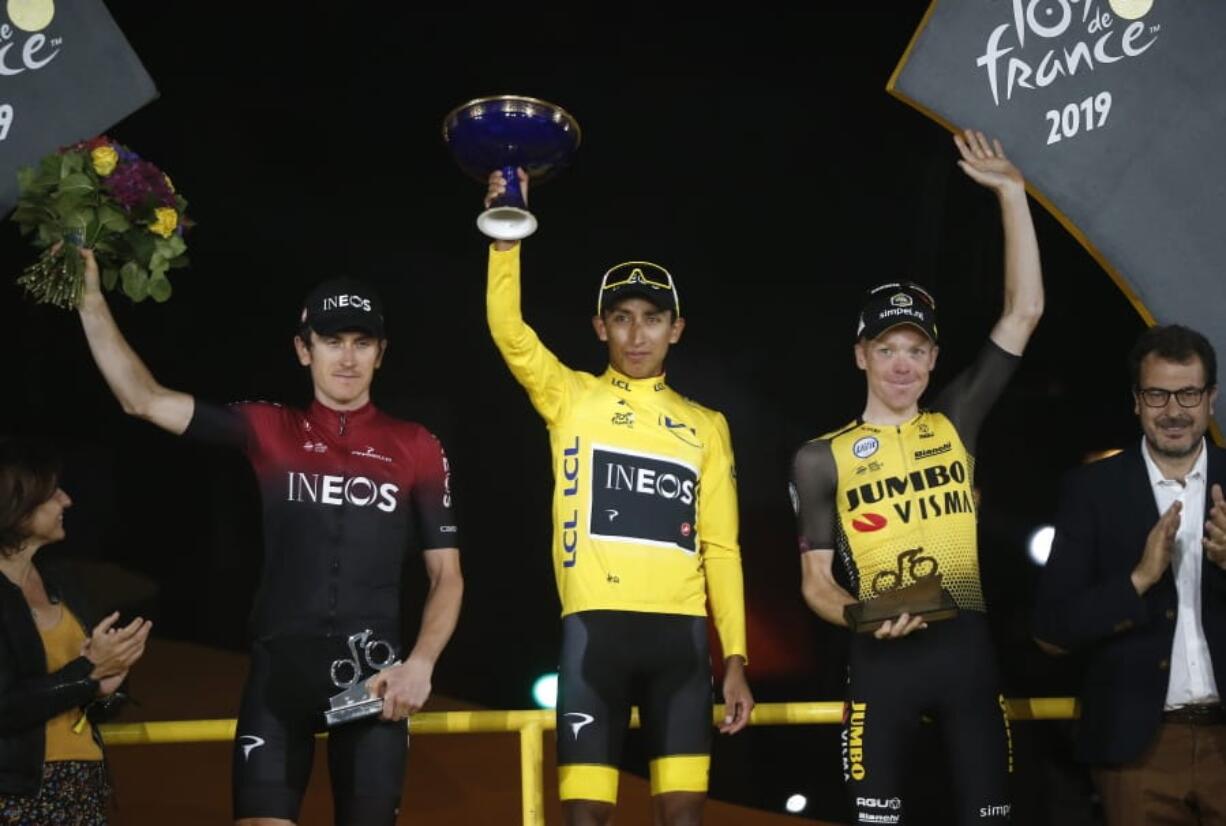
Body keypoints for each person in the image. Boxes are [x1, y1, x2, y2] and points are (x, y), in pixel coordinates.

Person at [73, 250, 464, 826]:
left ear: (381, 353)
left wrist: (422, 664)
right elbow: (143, 400)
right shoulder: (269, 429)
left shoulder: (417, 446)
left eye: (362, 342)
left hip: (375, 679)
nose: (348, 358)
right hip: (280, 676)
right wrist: (89, 299)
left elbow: (446, 576)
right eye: (333, 341)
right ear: (303, 349)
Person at [483, 170, 753, 826]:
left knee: (684, 818)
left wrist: (737, 658)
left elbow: (721, 547)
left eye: (652, 320)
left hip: (684, 645)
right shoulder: (571, 397)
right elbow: (508, 328)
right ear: (600, 327)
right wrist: (505, 233)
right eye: (623, 320)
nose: (638, 336)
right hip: (592, 635)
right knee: (583, 821)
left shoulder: (706, 425)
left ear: (677, 329)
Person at [790, 129, 1043, 824]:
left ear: (933, 361)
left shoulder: (954, 421)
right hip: (881, 667)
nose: (903, 363)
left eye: (917, 349)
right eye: (888, 348)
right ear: (862, 356)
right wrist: (860, 617)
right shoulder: (821, 456)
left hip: (968, 662)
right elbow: (814, 580)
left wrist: (1012, 195)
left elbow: (1024, 312)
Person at [1034, 324, 1226, 825]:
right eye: (1157, 394)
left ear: (1211, 399)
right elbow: (1051, 630)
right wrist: (1137, 581)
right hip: (1136, 753)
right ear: (1137, 402)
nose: (1174, 411)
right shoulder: (1091, 491)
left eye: (1188, 393)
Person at [0, 438, 151, 825]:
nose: (66, 501)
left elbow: (93, 701)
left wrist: (107, 687)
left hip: (81, 788)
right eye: (52, 493)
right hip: (16, 797)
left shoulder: (63, 585)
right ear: (16, 505)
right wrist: (87, 674)